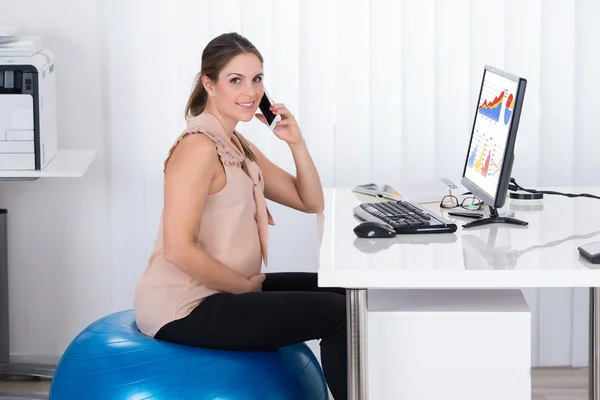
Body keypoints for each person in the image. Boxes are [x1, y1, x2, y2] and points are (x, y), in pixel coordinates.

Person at [133, 32, 347, 399]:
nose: (251, 92)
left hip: (227, 288)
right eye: (236, 80)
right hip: (187, 306)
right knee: (337, 314)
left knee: (348, 292)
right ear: (209, 84)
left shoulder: (236, 144)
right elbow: (178, 250)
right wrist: (243, 288)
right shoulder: (198, 148)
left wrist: (296, 142)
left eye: (257, 79)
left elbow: (309, 201)